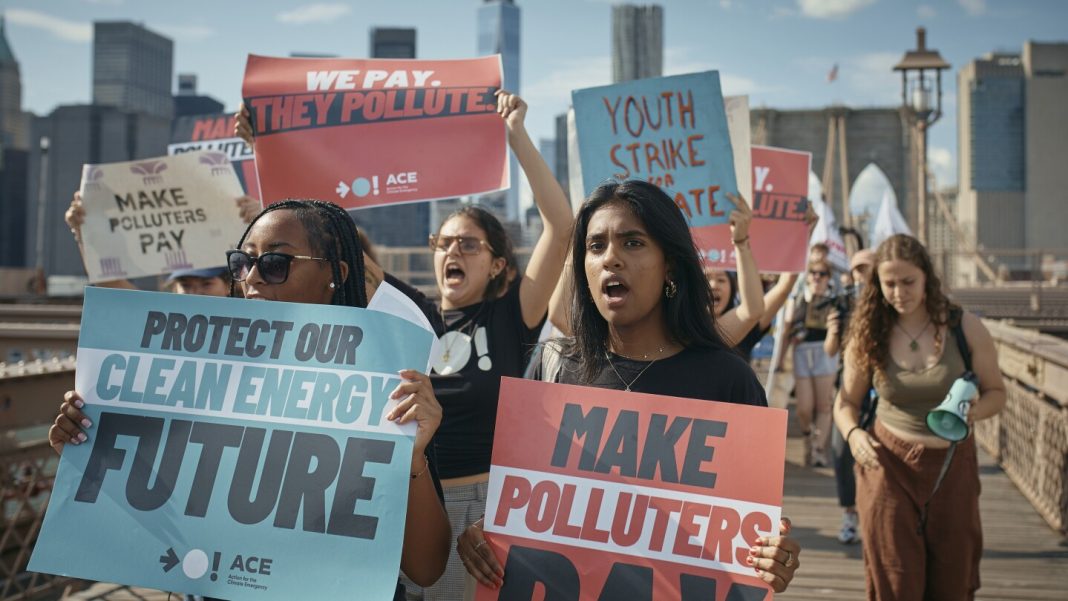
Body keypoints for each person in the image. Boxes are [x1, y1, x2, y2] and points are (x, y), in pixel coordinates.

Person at [49, 200, 451, 601]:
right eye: (243, 261)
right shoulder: (198, 370)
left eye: (277, 262)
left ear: (335, 274)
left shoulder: (385, 383)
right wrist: (91, 448)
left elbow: (426, 567)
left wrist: (412, 458)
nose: (254, 276)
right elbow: (149, 510)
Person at [456, 179, 801, 595]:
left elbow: (751, 526)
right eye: (595, 246)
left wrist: (772, 555)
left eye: (633, 243)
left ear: (670, 263)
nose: (610, 259)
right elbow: (521, 506)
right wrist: (484, 532)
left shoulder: (728, 381)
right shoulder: (554, 369)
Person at [833, 234, 1006, 600]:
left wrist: (975, 411)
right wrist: (854, 435)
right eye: (889, 284)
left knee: (953, 577)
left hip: (952, 465)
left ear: (926, 276)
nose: (899, 293)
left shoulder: (965, 328)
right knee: (895, 580)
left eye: (908, 282)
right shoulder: (869, 333)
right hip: (887, 464)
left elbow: (997, 393)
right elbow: (845, 402)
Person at [64, 190, 261, 295]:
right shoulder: (163, 317)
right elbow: (108, 281)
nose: (195, 293)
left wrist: (261, 221)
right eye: (186, 285)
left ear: (230, 286)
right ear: (174, 288)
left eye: (206, 284)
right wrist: (83, 231)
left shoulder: (245, 312)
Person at [824, 248, 875, 544]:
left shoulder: (889, 304)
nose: (862, 275)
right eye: (857, 269)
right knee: (841, 451)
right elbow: (830, 351)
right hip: (847, 387)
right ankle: (849, 513)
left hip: (881, 390)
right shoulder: (843, 303)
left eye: (867, 269)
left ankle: (873, 513)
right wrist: (833, 330)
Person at [782, 256, 838, 467]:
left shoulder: (834, 300)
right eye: (813, 273)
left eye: (822, 273)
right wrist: (780, 359)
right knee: (804, 408)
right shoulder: (798, 298)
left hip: (826, 352)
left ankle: (818, 450)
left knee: (823, 405)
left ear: (828, 278)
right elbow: (787, 329)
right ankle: (808, 436)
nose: (817, 277)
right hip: (802, 352)